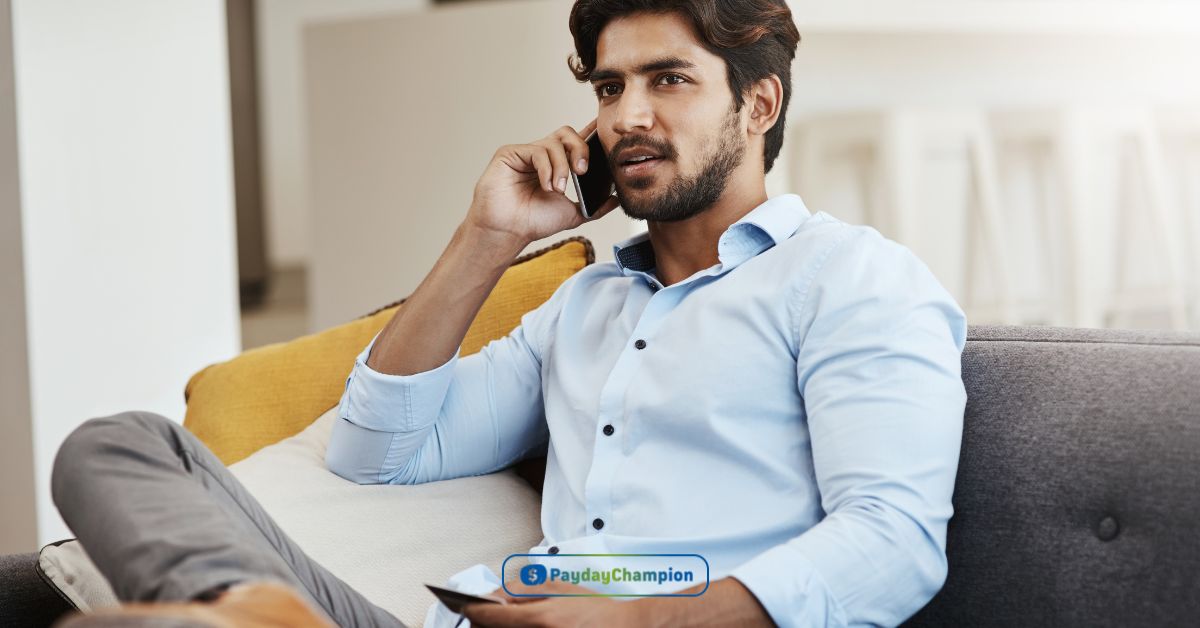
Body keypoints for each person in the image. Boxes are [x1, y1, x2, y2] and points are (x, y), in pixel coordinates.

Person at [50, 0, 966, 626]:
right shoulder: (585, 306)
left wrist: (642, 621)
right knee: (117, 445)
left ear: (758, 102)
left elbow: (893, 540)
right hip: (452, 614)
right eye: (609, 88)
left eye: (668, 80)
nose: (627, 116)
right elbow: (375, 453)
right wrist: (488, 236)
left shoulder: (853, 281)